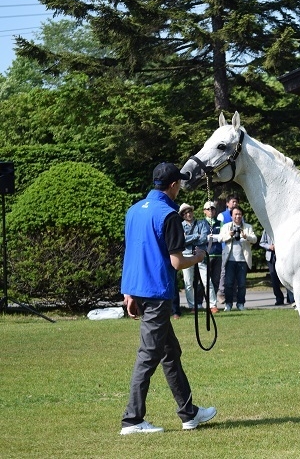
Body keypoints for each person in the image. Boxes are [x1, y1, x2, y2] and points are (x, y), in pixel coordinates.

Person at [120, 162, 216, 435]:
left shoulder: (134, 210)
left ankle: (189, 414)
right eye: (179, 184)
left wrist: (128, 292)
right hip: (157, 292)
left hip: (138, 289)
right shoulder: (169, 215)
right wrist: (198, 256)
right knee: (148, 356)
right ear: (173, 185)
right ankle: (132, 419)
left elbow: (131, 253)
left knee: (170, 352)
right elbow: (176, 262)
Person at [219, 206, 257, 311]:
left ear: (242, 215)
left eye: (239, 214)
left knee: (242, 284)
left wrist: (246, 237)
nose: (237, 216)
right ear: (231, 216)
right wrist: (229, 235)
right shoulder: (227, 226)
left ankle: (241, 304)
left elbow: (254, 239)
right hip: (230, 260)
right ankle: (228, 304)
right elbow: (220, 238)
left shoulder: (248, 227)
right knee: (229, 283)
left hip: (243, 260)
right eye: (235, 214)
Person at [259, 229, 294, 305]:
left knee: (286, 277)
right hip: (271, 256)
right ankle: (279, 299)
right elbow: (262, 243)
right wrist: (269, 246)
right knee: (274, 279)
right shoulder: (266, 230)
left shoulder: (283, 228)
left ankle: (291, 298)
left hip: (283, 256)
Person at [202, 201, 222, 312]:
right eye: (208, 209)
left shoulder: (219, 223)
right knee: (204, 281)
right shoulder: (201, 223)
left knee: (215, 280)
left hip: (218, 253)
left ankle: (212, 304)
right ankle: (200, 303)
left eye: (213, 209)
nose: (211, 211)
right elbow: (202, 237)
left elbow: (222, 237)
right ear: (204, 211)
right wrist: (214, 237)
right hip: (206, 255)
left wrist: (212, 237)